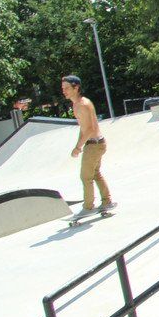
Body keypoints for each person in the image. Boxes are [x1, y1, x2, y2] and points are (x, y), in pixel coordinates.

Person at [61, 74, 115, 218]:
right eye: (63, 88)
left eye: (67, 88)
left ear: (76, 88)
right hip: (97, 143)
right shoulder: (78, 104)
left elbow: (90, 129)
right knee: (95, 174)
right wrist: (78, 145)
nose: (64, 91)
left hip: (94, 144)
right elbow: (83, 127)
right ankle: (107, 201)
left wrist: (78, 147)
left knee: (85, 177)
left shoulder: (82, 105)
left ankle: (88, 207)